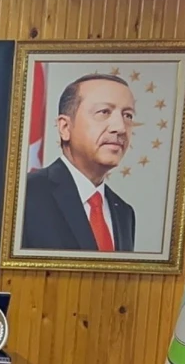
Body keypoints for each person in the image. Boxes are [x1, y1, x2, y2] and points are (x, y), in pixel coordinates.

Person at [22, 73, 137, 252]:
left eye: (127, 115)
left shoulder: (124, 213)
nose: (121, 128)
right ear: (65, 127)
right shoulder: (24, 195)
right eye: (104, 112)